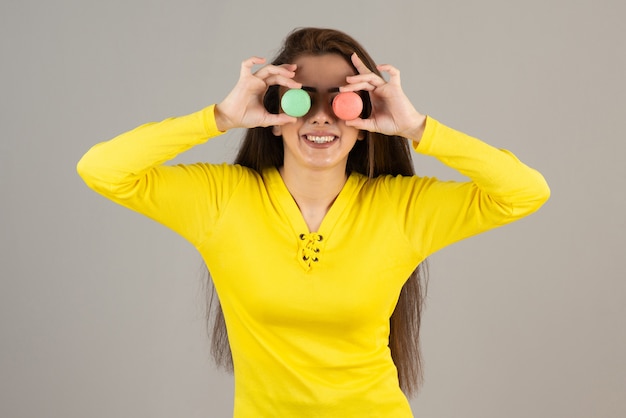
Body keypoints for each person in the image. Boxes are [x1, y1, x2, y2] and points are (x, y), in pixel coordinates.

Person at [77, 27, 550, 417]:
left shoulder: (402, 209)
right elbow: (102, 169)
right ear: (275, 109)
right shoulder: (221, 200)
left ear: (366, 111)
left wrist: (417, 127)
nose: (322, 118)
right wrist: (220, 117)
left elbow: (525, 192)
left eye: (343, 101)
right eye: (301, 100)